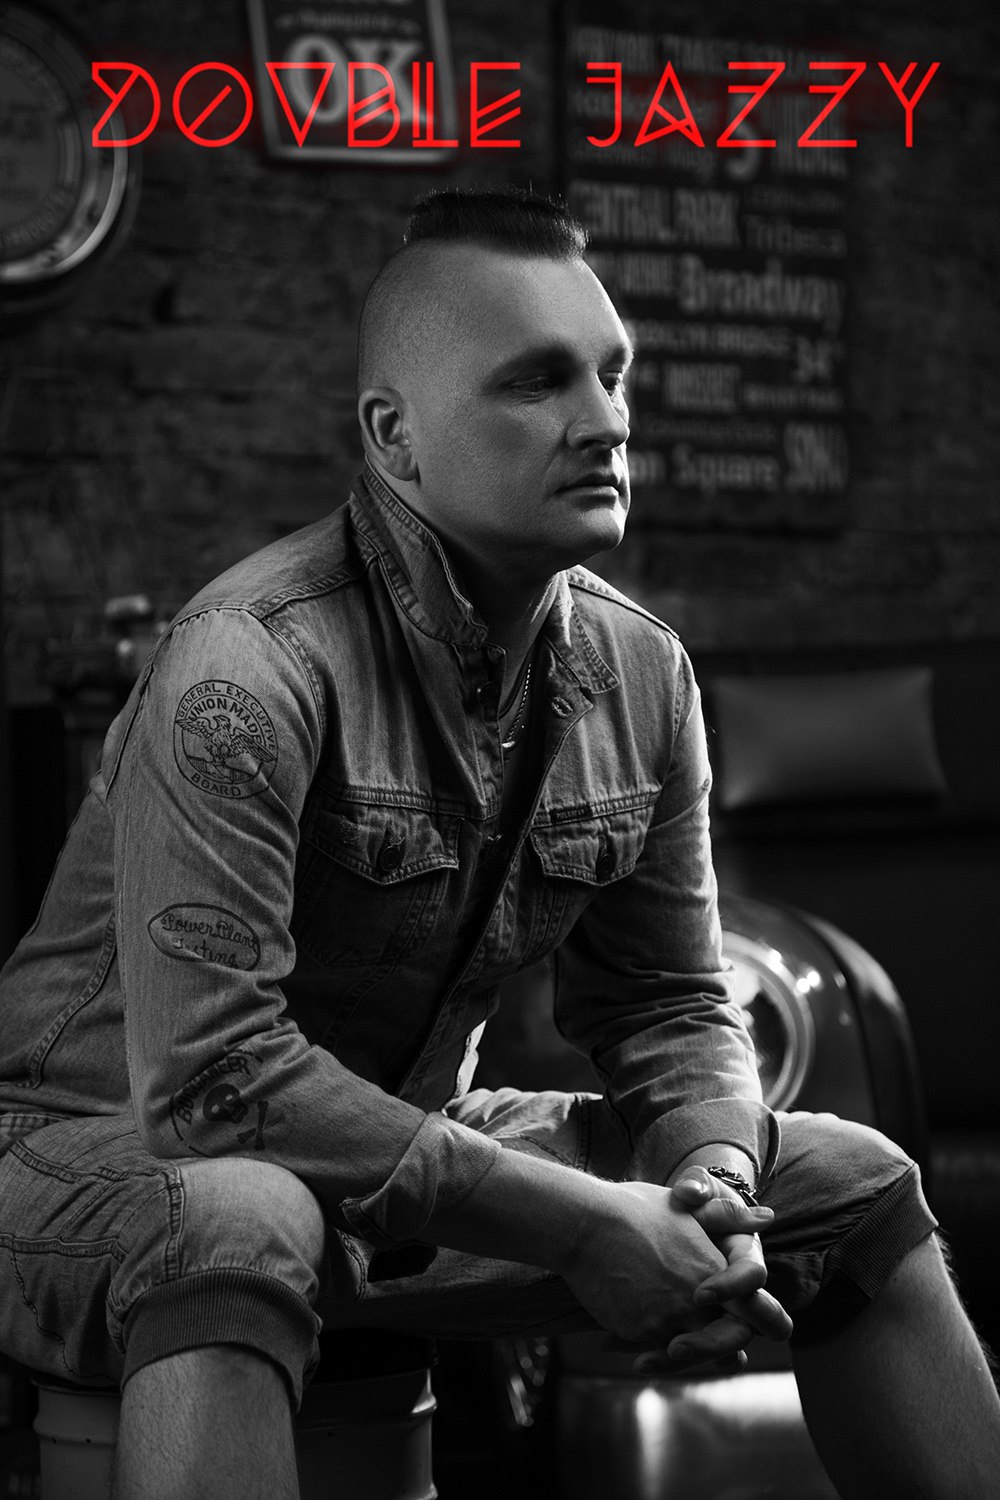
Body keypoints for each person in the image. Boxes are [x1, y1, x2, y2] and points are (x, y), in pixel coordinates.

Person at [0, 188, 996, 1500]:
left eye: (612, 373)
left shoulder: (643, 673)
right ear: (394, 438)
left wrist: (708, 1183)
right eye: (537, 382)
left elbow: (668, 1003)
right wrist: (586, 1228)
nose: (606, 420)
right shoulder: (243, 665)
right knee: (240, 1211)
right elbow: (211, 1089)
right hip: (88, 1154)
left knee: (849, 1185)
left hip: (394, 1160)